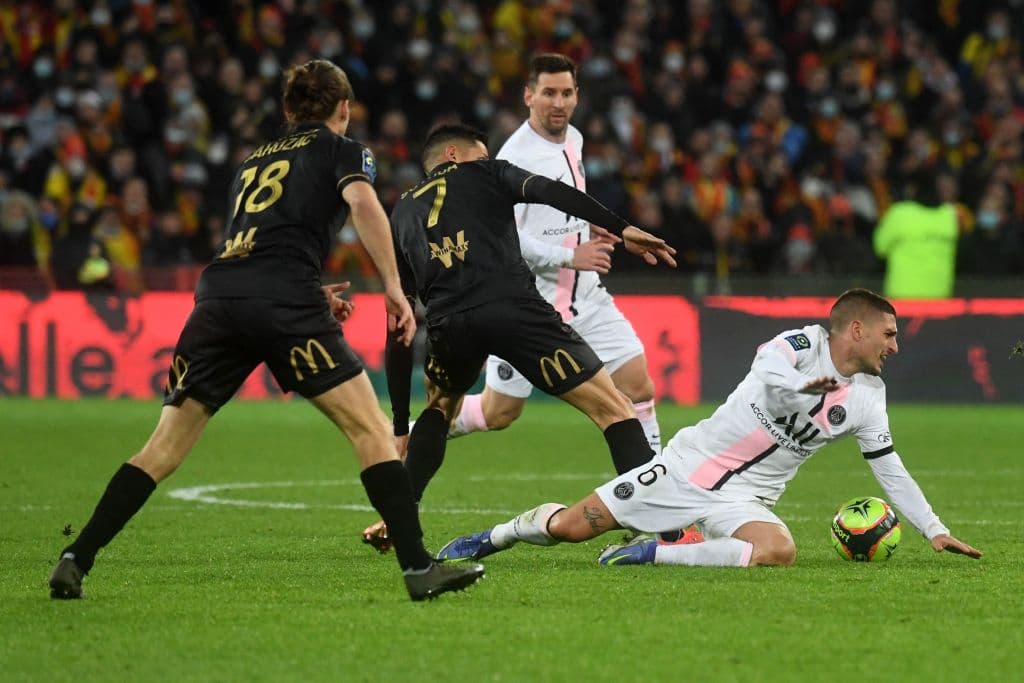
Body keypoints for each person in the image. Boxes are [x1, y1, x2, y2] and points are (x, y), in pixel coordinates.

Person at [47, 60, 484, 603]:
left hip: (220, 299)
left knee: (161, 449)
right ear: (343, 108)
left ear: (287, 110)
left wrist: (310, 289)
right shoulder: (343, 150)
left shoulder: (250, 163)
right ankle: (419, 568)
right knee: (371, 430)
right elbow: (365, 203)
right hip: (281, 302)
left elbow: (258, 242)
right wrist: (393, 285)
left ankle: (77, 556)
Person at [436, 289, 982, 568]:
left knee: (778, 551)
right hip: (686, 469)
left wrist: (933, 528)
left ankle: (654, 555)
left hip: (744, 500)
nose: (895, 345)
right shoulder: (799, 346)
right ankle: (495, 537)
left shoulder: (869, 399)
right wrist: (804, 388)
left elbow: (891, 469)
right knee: (572, 529)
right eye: (888, 334)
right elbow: (766, 370)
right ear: (855, 329)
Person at [365, 123, 675, 551]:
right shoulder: (488, 173)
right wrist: (622, 228)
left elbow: (397, 321)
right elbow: (552, 192)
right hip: (515, 311)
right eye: (482, 154)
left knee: (439, 408)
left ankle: (398, 521)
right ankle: (666, 531)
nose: (487, 160)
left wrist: (400, 424)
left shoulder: (401, 213)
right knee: (616, 408)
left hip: (449, 324)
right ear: (455, 154)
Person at [447, 54, 663, 456]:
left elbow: (564, 203)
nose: (558, 103)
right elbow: (502, 239)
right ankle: (413, 435)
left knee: (638, 389)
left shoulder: (575, 139)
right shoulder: (515, 160)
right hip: (529, 305)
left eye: (566, 93)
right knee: (499, 413)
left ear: (577, 96)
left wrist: (587, 224)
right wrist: (569, 256)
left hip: (585, 297)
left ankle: (659, 500)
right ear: (529, 95)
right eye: (548, 93)